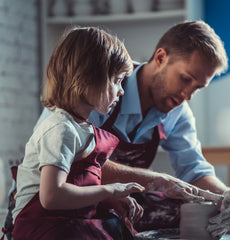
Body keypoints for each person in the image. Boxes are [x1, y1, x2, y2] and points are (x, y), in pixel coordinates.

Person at [34, 21, 230, 238]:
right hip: (61, 194)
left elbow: (194, 169)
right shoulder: (101, 86)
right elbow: (71, 161)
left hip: (115, 195)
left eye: (197, 88)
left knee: (185, 210)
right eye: (185, 79)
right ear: (161, 58)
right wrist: (158, 181)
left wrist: (223, 197)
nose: (187, 95)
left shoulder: (177, 111)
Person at [11, 26, 145, 240]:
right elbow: (52, 197)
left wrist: (109, 199)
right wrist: (109, 190)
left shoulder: (80, 128)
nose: (122, 91)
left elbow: (78, 186)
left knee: (118, 226)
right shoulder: (60, 128)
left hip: (67, 222)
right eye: (117, 81)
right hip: (41, 228)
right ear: (88, 79)